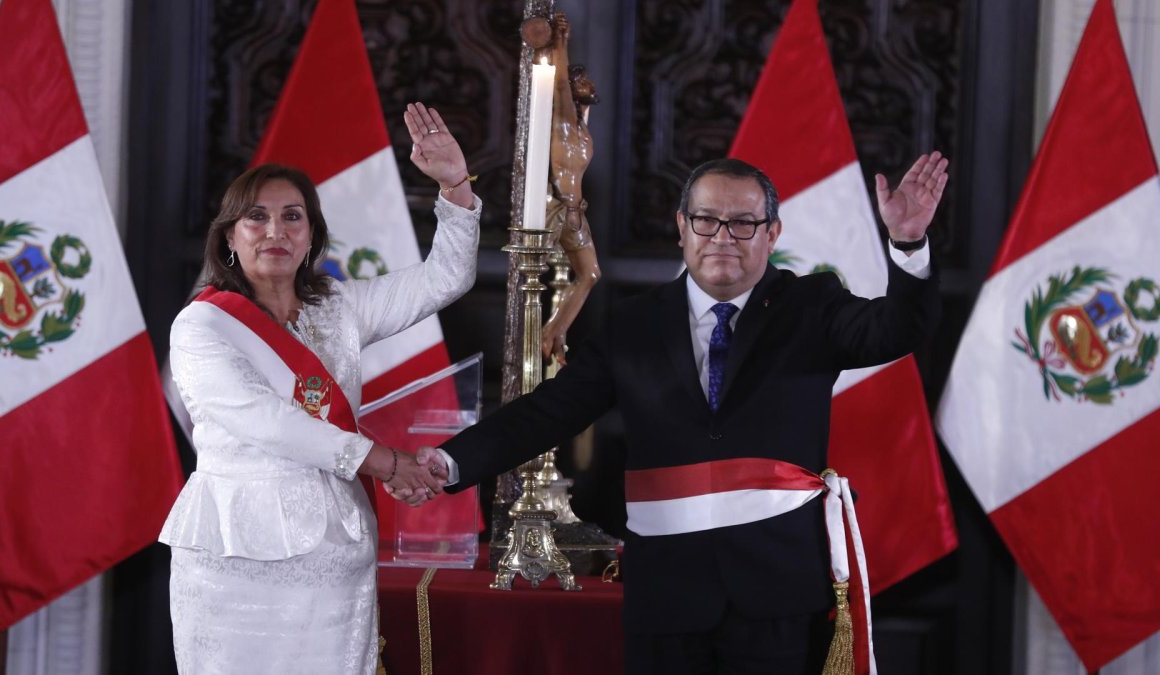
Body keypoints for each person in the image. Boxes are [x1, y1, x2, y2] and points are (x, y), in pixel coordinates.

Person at [405, 152, 948, 674]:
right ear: (682, 228)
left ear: (772, 234)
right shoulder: (633, 325)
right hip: (666, 596)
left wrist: (908, 243)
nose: (722, 239)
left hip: (777, 593)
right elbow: (548, 412)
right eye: (707, 221)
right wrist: (450, 463)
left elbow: (897, 328)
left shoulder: (813, 306)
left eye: (743, 224)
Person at [159, 102, 467, 674]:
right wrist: (380, 460)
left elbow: (445, 279)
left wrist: (454, 186)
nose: (275, 230)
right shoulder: (201, 324)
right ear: (229, 236)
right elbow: (261, 419)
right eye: (257, 217)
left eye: (292, 217)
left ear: (311, 237)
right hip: (232, 552)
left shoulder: (342, 308)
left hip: (334, 551)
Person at [541, 11, 601, 365]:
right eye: (584, 80)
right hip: (559, 209)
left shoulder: (581, 127)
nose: (590, 85)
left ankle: (555, 331)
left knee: (590, 274)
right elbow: (560, 83)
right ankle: (544, 336)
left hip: (577, 213)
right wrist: (560, 41)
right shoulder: (562, 123)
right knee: (530, 277)